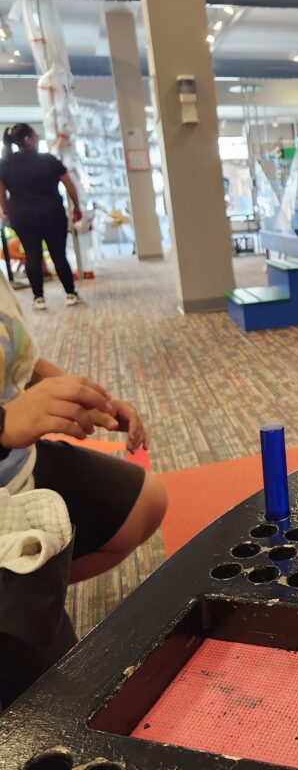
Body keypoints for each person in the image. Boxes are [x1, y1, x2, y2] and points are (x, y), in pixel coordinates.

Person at [0, 268, 167, 584]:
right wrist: (4, 426)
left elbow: (23, 363)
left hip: (18, 466)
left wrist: (87, 401)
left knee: (147, 502)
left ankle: (38, 586)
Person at [0, 123, 81, 310]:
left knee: (31, 254)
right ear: (28, 139)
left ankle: (38, 299)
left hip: (22, 216)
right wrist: (76, 207)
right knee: (58, 253)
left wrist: (6, 211)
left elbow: (1, 193)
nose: (37, 138)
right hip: (51, 213)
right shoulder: (48, 160)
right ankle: (70, 293)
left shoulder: (5, 165)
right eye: (35, 135)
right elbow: (69, 185)